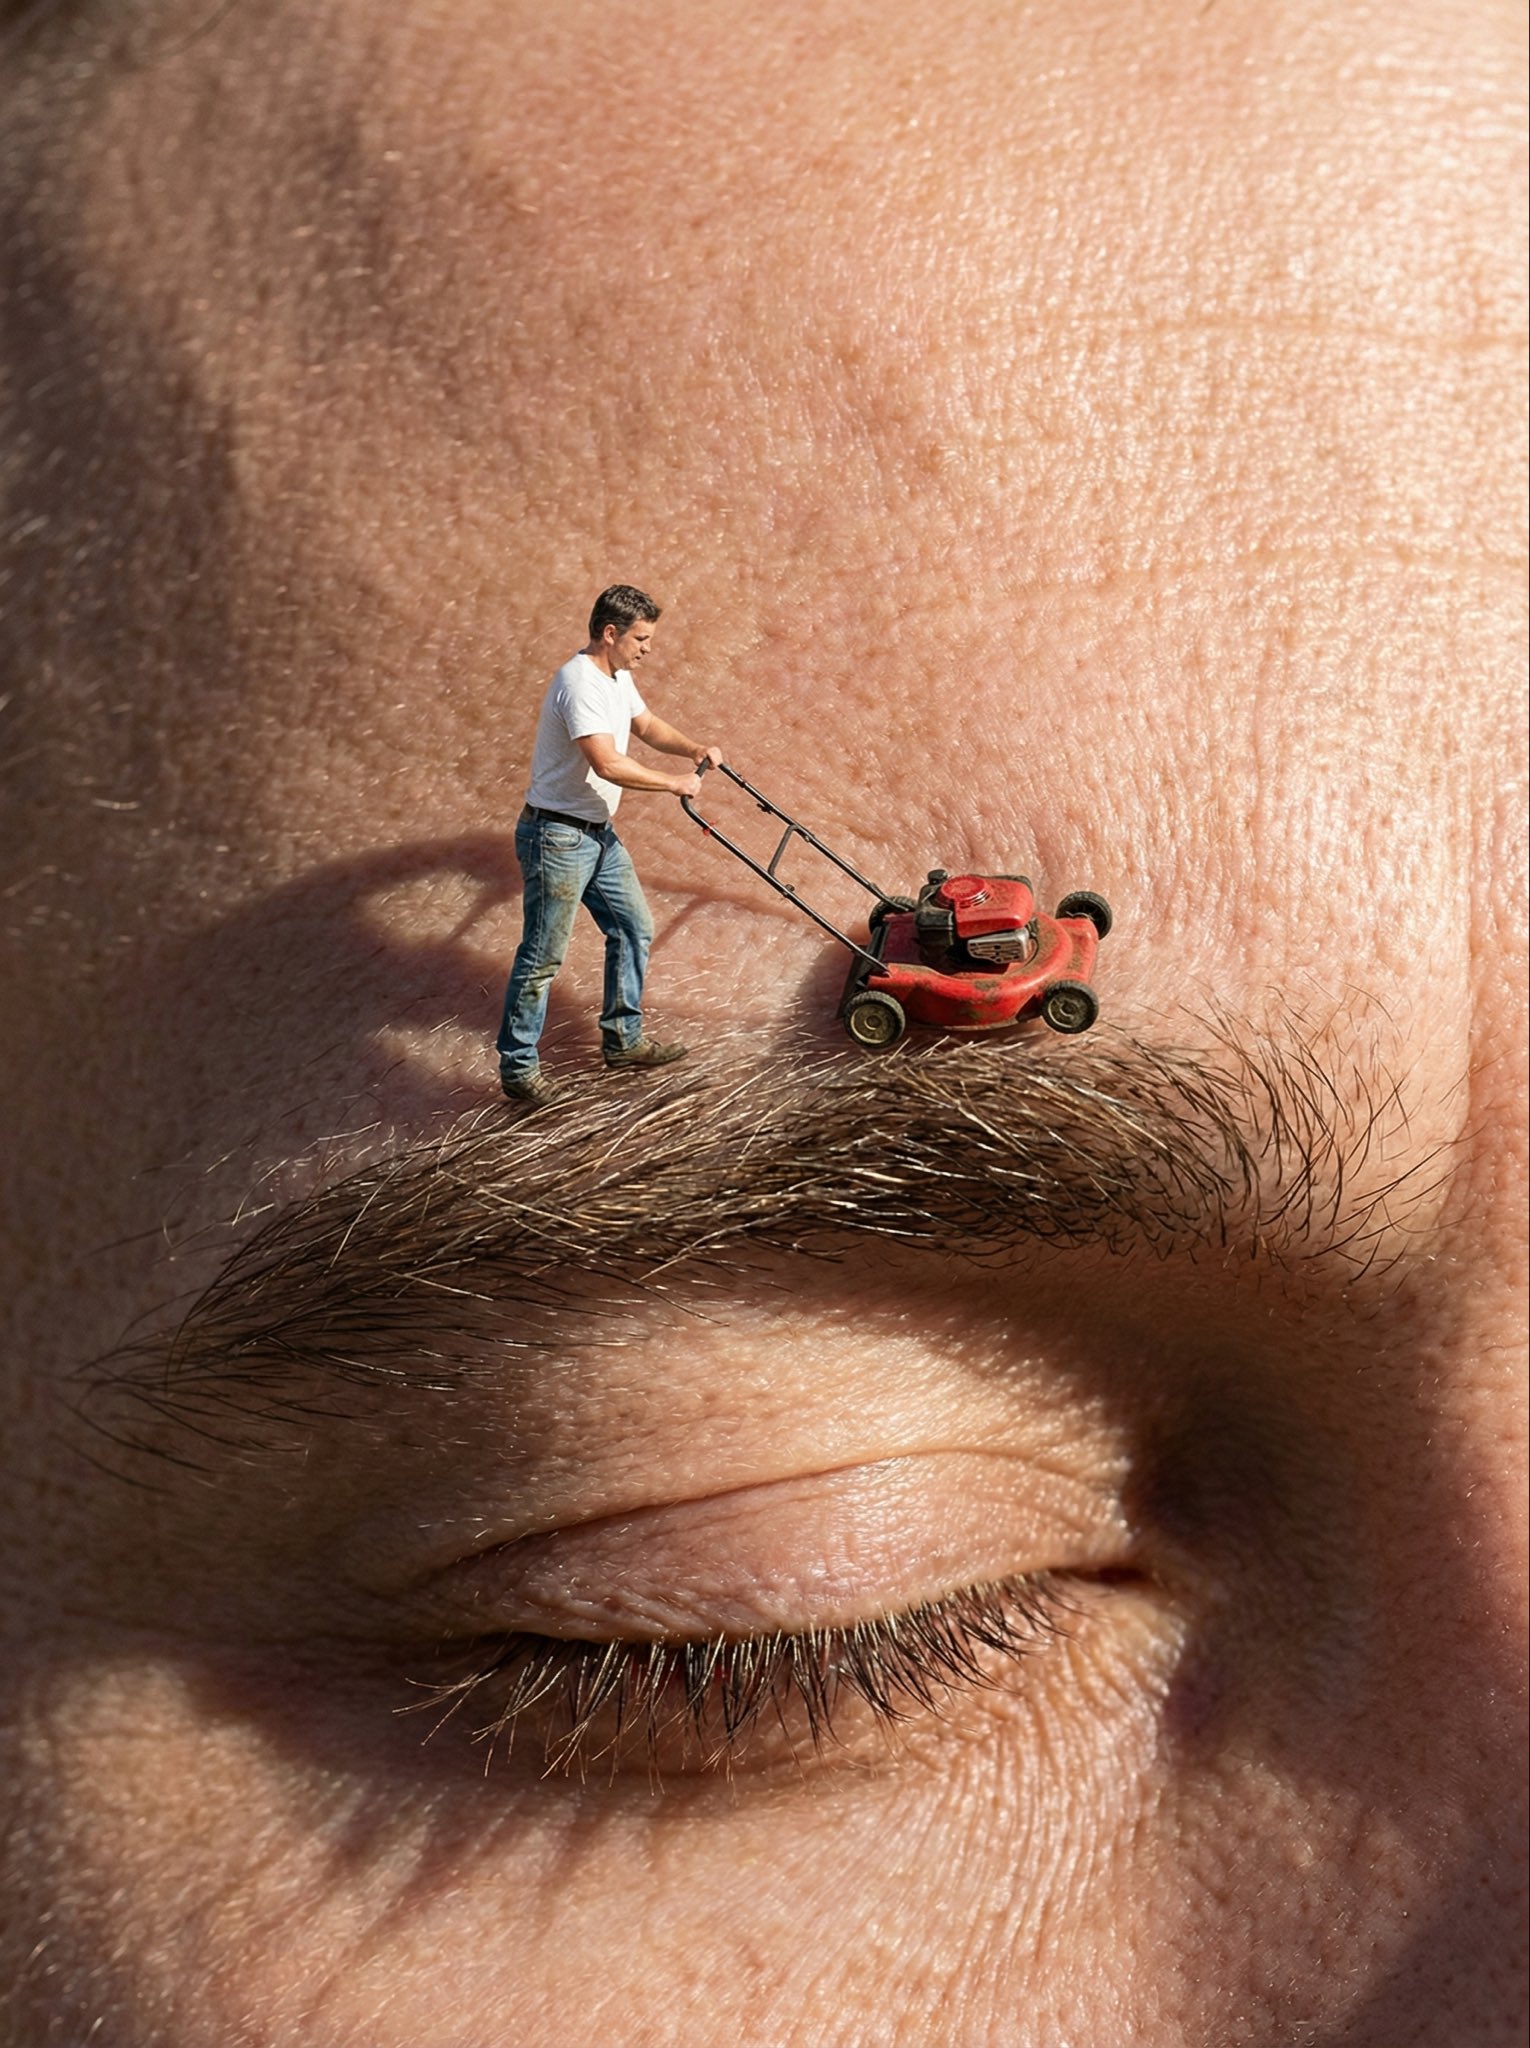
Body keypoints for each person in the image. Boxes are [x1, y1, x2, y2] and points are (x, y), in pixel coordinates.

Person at [0, 2, 1524, 2045]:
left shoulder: (659, 710)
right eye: (781, 1600)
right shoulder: (573, 705)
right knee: (579, 938)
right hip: (565, 835)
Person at [496, 584, 721, 1105]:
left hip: (596, 834)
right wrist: (674, 783)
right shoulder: (578, 683)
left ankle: (623, 1040)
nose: (648, 648)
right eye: (641, 638)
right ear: (611, 633)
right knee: (543, 955)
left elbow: (644, 726)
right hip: (556, 835)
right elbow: (607, 762)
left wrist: (694, 749)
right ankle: (518, 1068)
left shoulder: (617, 677)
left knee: (633, 927)